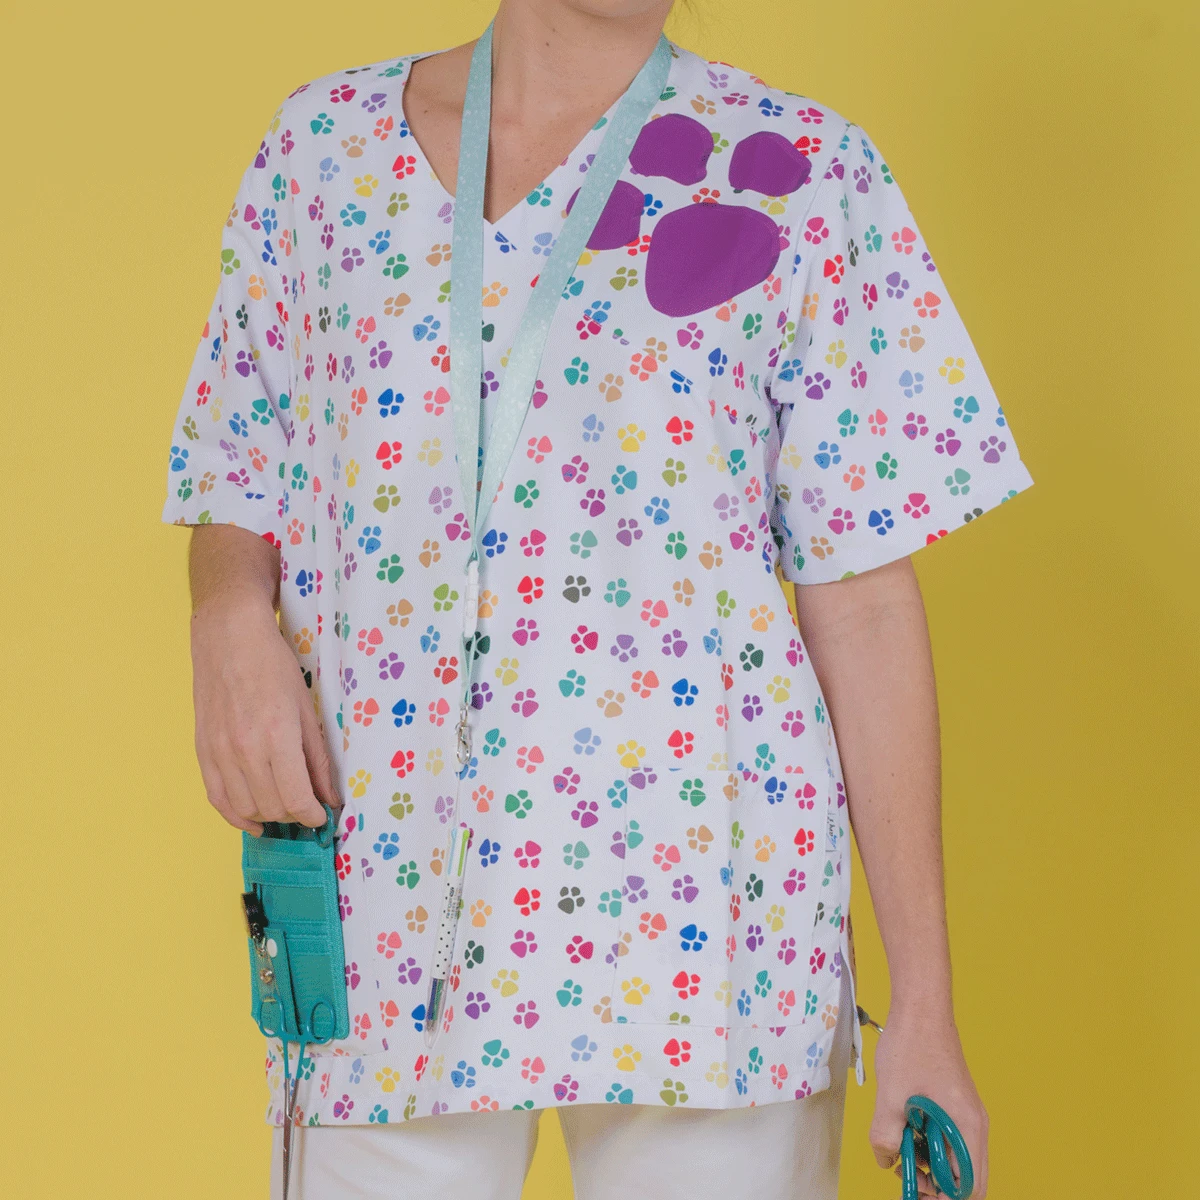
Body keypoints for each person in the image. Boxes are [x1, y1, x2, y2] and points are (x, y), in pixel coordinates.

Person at [162, 0, 1033, 1195]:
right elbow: (238, 459)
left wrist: (924, 1006)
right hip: (381, 888)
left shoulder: (803, 169)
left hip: (707, 917)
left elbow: (866, 594)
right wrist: (225, 619)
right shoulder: (322, 150)